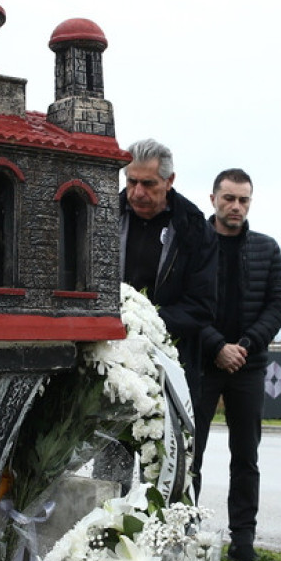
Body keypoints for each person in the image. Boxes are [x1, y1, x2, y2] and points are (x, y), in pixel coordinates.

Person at [190, 168, 281, 561]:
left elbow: (277, 306)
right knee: (189, 453)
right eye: (228, 198)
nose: (236, 206)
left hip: (247, 365)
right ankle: (182, 536)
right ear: (213, 198)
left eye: (243, 199)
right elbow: (181, 303)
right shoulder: (192, 246)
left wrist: (243, 346)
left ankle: (243, 544)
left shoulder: (267, 248)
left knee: (246, 456)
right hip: (201, 360)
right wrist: (216, 346)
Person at [119, 138, 218, 407]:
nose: (137, 192)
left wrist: (142, 322)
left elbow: (202, 306)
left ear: (169, 180)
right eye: (131, 181)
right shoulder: (104, 214)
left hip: (173, 360)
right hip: (111, 355)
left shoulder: (194, 228)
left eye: (148, 184)